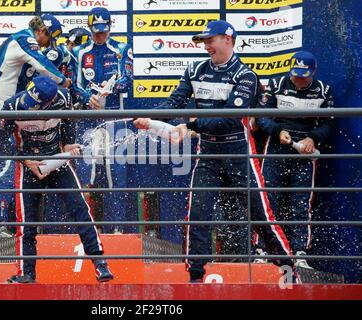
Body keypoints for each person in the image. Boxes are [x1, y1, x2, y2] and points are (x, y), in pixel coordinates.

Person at [134, 20, 293, 283]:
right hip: (207, 153)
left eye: (211, 40)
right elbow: (175, 102)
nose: (206, 46)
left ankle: (288, 269)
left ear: (228, 39)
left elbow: (229, 118)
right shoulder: (195, 69)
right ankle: (196, 277)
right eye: (204, 41)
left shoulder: (245, 75)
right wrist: (149, 118)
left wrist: (191, 124)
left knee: (260, 216)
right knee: (197, 214)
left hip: (238, 153)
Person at [0, 75, 113, 283]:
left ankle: (100, 264)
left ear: (50, 102)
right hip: (29, 165)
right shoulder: (12, 105)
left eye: (37, 105)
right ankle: (26, 274)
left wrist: (68, 144)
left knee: (81, 210)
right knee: (26, 224)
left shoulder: (63, 98)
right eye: (30, 101)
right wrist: (25, 159)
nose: (31, 107)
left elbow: (68, 121)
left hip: (57, 161)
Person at [0, 14, 71, 241]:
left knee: (17, 163)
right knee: (13, 164)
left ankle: (5, 222)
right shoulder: (24, 40)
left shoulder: (23, 45)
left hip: (7, 111)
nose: (46, 44)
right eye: (48, 38)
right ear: (41, 30)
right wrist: (65, 81)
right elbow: (43, 66)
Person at [254, 51, 334, 269]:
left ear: (313, 72)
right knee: (268, 199)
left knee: (301, 201)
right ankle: (263, 251)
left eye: (303, 76)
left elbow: (329, 124)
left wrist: (313, 138)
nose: (298, 80)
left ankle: (299, 253)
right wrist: (277, 131)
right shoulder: (277, 85)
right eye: (295, 75)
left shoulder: (323, 91)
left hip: (305, 151)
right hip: (277, 146)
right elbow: (261, 116)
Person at [72, 7, 135, 234]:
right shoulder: (79, 52)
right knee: (86, 171)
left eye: (104, 30)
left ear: (110, 27)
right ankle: (86, 228)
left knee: (116, 173)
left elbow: (128, 80)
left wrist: (110, 89)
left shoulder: (121, 49)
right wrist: (89, 98)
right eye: (97, 31)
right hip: (87, 119)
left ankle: (117, 228)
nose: (101, 35)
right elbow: (73, 85)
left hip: (115, 119)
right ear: (90, 28)